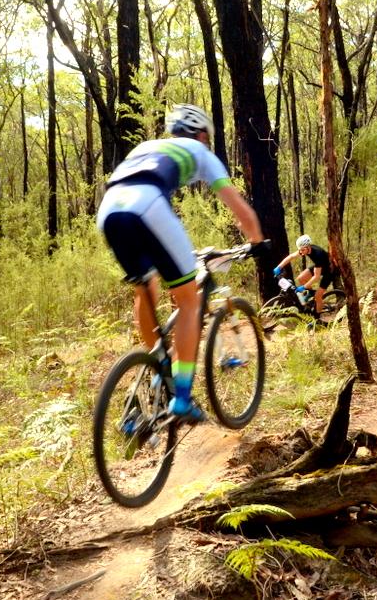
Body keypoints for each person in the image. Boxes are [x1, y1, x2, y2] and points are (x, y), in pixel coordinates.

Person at [97, 104, 266, 423]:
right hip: (147, 205)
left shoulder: (147, 147)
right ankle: (183, 398)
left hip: (109, 211)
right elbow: (240, 209)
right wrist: (257, 242)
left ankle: (161, 363)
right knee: (190, 301)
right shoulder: (200, 153)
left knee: (146, 287)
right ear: (202, 134)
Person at [272, 234, 333, 316]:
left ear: (308, 247)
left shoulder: (318, 254)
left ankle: (318, 318)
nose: (301, 252)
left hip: (329, 271)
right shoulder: (305, 249)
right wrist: (279, 267)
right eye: (300, 250)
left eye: (302, 250)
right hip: (320, 266)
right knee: (301, 278)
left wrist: (304, 287)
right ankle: (311, 293)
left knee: (318, 296)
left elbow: (316, 277)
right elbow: (291, 256)